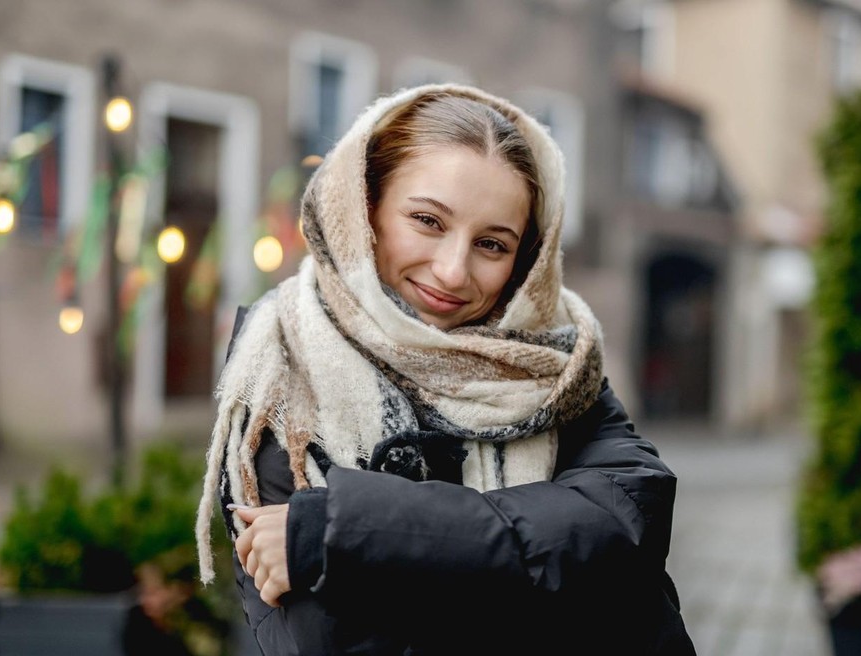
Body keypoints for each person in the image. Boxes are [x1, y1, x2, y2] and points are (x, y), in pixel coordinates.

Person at [195, 83, 696, 655]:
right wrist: (545, 564)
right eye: (428, 221)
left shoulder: (553, 364)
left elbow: (625, 521)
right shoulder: (282, 361)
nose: (454, 271)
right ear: (364, 207)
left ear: (524, 259)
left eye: (492, 244)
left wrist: (343, 529)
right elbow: (333, 638)